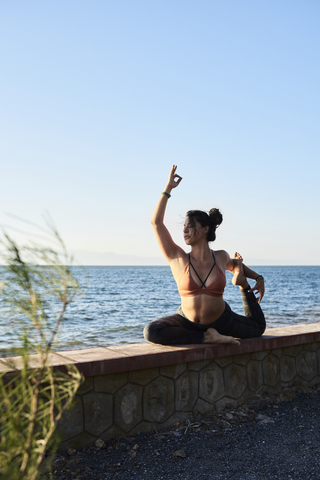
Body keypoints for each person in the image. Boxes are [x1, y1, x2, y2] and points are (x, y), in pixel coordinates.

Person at [143, 165, 266, 346]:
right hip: (187, 320)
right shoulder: (178, 258)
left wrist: (257, 278)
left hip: (222, 320)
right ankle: (207, 337)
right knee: (151, 331)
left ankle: (241, 286)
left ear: (205, 229)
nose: (185, 230)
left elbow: (235, 265)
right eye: (184, 226)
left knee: (258, 327)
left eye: (190, 226)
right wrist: (168, 189)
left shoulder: (220, 257)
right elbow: (156, 222)